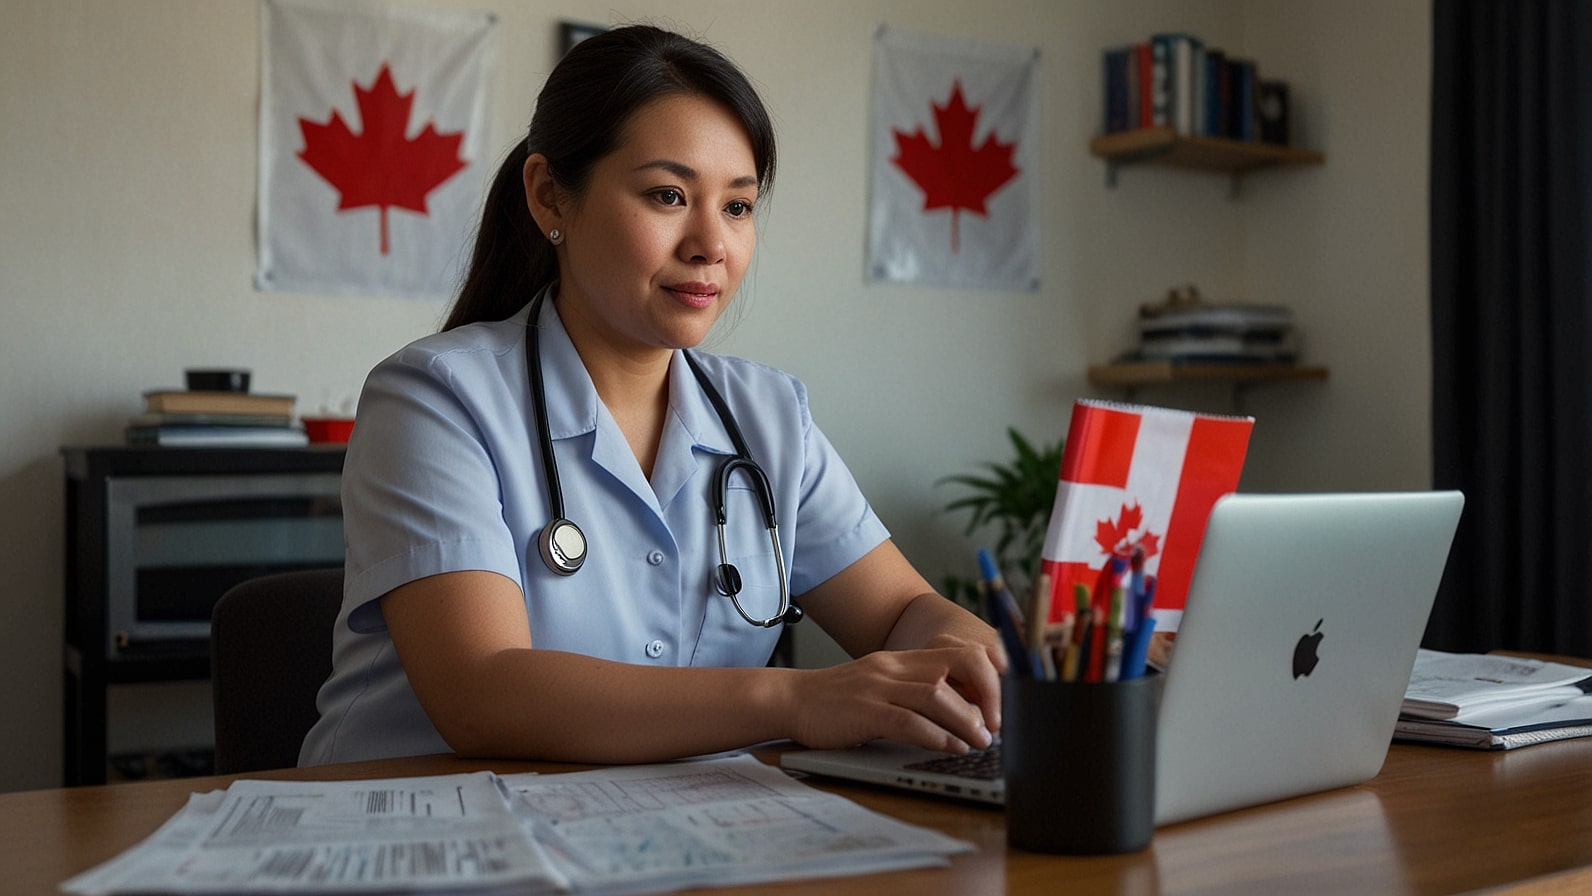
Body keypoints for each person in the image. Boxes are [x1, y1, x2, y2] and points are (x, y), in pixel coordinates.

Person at [299, 24, 1003, 767]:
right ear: (549, 198)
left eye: (737, 206)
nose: (712, 244)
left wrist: (983, 665)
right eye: (669, 195)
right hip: (423, 840)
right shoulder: (435, 400)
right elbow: (484, 692)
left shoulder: (768, 419)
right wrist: (798, 698)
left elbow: (902, 613)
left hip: (669, 839)